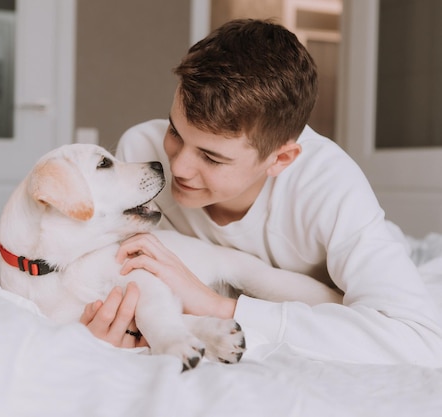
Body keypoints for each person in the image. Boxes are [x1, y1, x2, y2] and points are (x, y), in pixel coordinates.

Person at [79, 19, 442, 366]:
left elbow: (418, 341)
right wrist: (117, 324)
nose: (178, 168)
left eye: (211, 157)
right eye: (176, 131)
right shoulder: (141, 155)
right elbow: (125, 281)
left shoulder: (328, 185)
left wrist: (222, 309)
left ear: (280, 158)